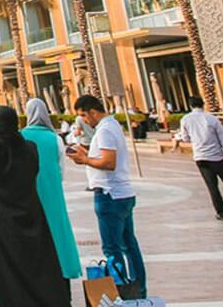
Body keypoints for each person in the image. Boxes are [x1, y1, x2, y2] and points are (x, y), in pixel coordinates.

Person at [0, 106, 67, 307]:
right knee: (35, 260)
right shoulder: (30, 147)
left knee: (6, 264)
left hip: (0, 216)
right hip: (29, 210)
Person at [70, 94, 146, 300]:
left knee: (112, 248)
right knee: (129, 245)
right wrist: (87, 154)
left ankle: (121, 291)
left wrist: (85, 159)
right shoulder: (111, 127)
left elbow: (109, 162)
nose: (84, 120)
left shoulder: (104, 131)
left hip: (110, 194)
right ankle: (138, 290)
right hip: (121, 194)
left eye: (84, 115)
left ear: (93, 112)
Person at [23, 99, 81, 281]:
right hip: (53, 192)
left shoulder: (21, 136)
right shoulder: (55, 138)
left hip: (29, 193)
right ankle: (62, 268)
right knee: (57, 229)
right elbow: (61, 171)